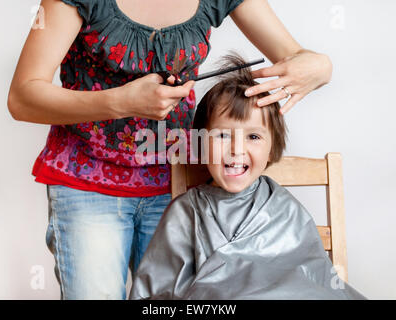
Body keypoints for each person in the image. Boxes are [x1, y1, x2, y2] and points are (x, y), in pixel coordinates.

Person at [7, 0, 333, 300]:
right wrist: (120, 102)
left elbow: (299, 59)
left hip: (177, 183)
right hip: (88, 181)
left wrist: (320, 67)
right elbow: (22, 99)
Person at [129, 53, 366, 300]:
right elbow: (154, 294)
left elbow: (317, 280)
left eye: (253, 137)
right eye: (222, 136)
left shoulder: (284, 208)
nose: (237, 150)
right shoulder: (187, 213)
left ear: (272, 147)